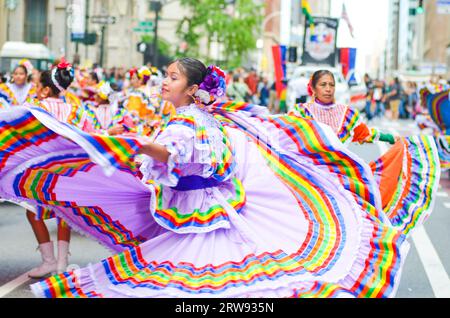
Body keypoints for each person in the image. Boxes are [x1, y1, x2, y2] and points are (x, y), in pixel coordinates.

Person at [0, 58, 439, 298]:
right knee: (205, 279)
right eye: (162, 76)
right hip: (205, 207)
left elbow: (175, 149)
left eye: (170, 77)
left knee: (185, 281)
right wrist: (127, 141)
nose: (161, 82)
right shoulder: (204, 117)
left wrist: (133, 146)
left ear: (193, 89)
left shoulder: (189, 122)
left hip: (222, 207)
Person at [289, 70, 440, 234]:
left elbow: (365, 133)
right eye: (323, 85)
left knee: (345, 224)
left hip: (340, 177)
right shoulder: (300, 113)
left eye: (331, 85)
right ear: (313, 88)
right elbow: (284, 136)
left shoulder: (346, 114)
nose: (328, 89)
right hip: (312, 176)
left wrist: (392, 138)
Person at [16, 59, 94, 279]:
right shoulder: (77, 110)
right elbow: (87, 134)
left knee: (33, 212)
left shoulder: (36, 108)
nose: (35, 89)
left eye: (38, 86)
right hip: (69, 169)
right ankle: (61, 262)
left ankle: (49, 261)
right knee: (63, 214)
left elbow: (24, 132)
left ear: (46, 89)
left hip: (42, 169)